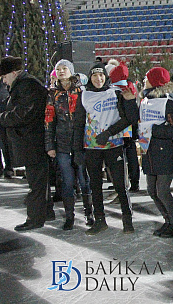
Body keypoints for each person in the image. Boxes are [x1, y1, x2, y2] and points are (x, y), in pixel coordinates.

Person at [73, 62, 138, 235]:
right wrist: (77, 150)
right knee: (95, 185)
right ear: (90, 78)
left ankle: (127, 220)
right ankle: (100, 220)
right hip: (92, 147)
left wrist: (109, 132)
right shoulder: (84, 95)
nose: (98, 78)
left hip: (113, 145)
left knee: (120, 184)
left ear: (106, 76)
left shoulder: (115, 92)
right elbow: (78, 124)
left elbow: (129, 118)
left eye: (101, 75)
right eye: (94, 75)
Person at [0, 56, 50, 231]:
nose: (4, 81)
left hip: (33, 141)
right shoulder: (24, 84)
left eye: (5, 76)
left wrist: (1, 118)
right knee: (38, 181)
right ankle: (45, 213)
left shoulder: (27, 85)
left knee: (36, 183)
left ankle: (35, 218)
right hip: (31, 141)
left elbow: (24, 113)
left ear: (14, 73)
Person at [45, 59, 94, 230]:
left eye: (64, 68)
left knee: (84, 179)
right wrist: (49, 145)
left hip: (81, 142)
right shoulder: (52, 94)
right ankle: (69, 216)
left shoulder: (81, 91)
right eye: (58, 69)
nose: (61, 71)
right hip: (62, 144)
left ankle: (89, 213)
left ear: (71, 71)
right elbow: (49, 120)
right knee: (67, 181)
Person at [138, 67, 173, 238]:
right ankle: (168, 220)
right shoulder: (144, 100)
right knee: (151, 190)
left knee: (162, 190)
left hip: (164, 151)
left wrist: (154, 130)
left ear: (155, 81)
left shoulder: (167, 103)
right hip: (149, 151)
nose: (144, 80)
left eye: (147, 78)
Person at [109, 63, 141, 193]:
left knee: (122, 156)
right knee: (131, 154)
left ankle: (124, 182)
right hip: (131, 127)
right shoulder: (131, 86)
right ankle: (134, 182)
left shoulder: (117, 90)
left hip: (121, 127)